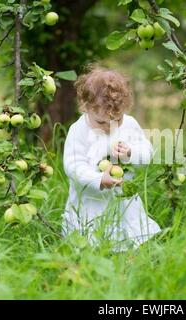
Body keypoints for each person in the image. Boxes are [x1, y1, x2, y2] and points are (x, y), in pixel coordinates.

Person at [62, 64, 161, 250]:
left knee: (129, 234)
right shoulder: (78, 130)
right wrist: (98, 179)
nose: (108, 127)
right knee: (91, 238)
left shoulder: (130, 124)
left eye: (116, 121)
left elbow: (147, 150)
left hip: (123, 198)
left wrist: (131, 152)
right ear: (86, 107)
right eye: (100, 122)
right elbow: (73, 165)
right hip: (90, 201)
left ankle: (129, 258)